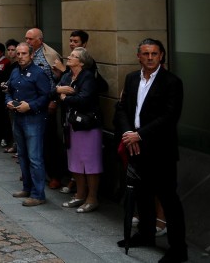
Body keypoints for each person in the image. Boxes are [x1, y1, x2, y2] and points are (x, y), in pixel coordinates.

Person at [114, 39, 187, 263]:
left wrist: (140, 134)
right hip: (135, 146)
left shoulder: (171, 82)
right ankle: (146, 234)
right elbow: (122, 108)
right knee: (142, 194)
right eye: (145, 54)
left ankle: (178, 249)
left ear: (161, 55)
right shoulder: (131, 78)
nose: (150, 57)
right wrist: (129, 133)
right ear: (138, 56)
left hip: (160, 149)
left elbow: (170, 116)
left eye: (154, 53)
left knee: (168, 198)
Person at [55, 47, 102, 213]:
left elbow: (84, 99)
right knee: (75, 162)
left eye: (73, 56)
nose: (69, 57)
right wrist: (60, 91)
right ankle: (79, 195)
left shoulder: (88, 77)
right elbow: (54, 90)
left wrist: (65, 97)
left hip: (87, 126)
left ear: (81, 62)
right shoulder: (67, 75)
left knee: (90, 163)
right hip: (71, 125)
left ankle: (92, 198)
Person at [5, 43, 52, 207]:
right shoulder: (15, 71)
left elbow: (46, 96)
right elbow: (8, 90)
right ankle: (27, 187)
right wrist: (8, 101)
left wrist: (30, 106)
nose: (20, 56)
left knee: (34, 157)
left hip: (34, 119)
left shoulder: (39, 73)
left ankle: (38, 194)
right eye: (18, 54)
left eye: (24, 53)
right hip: (17, 117)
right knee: (22, 155)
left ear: (31, 55)